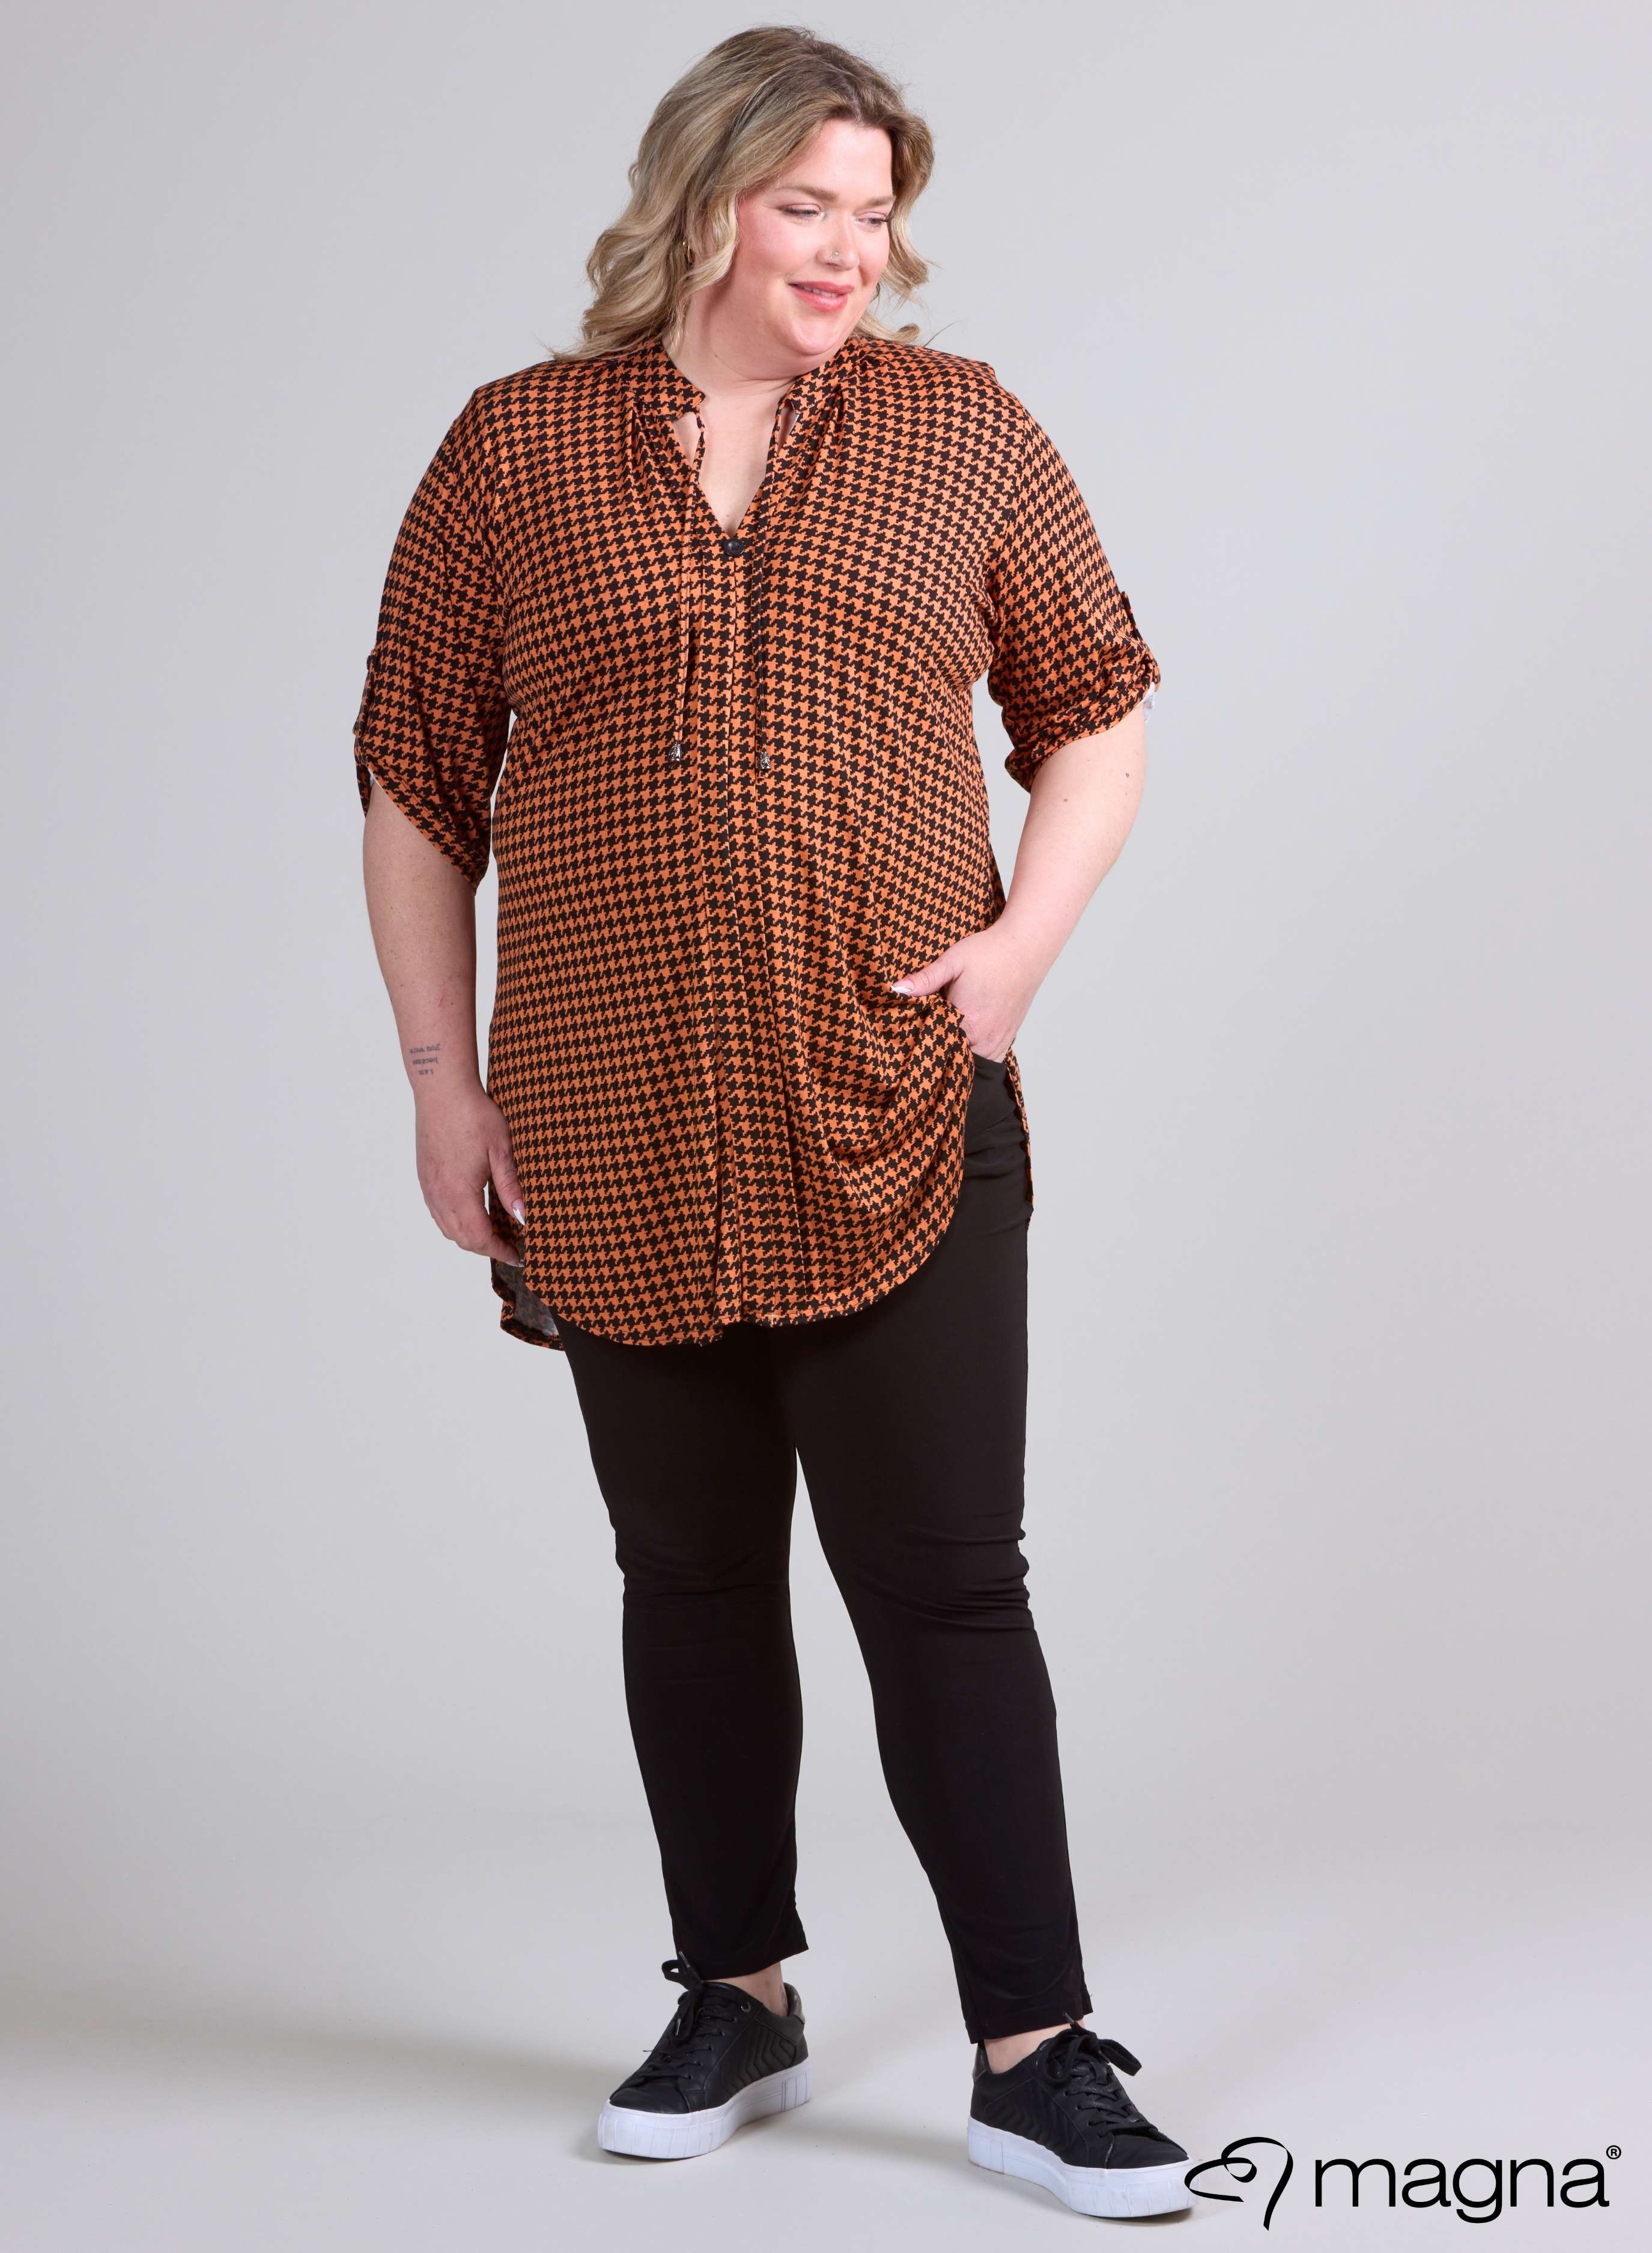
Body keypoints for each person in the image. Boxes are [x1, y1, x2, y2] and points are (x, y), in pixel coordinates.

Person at [353, 24, 1189, 2222]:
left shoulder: (957, 428)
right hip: (607, 1119)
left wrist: (1018, 954)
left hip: (890, 1100)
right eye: (806, 204)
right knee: (692, 1580)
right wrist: (444, 1085)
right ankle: (738, 1994)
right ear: (700, 200)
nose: (848, 249)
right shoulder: (517, 451)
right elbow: (417, 781)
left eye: (874, 211)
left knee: (949, 1586)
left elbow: (1096, 712)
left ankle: (1036, 2051)